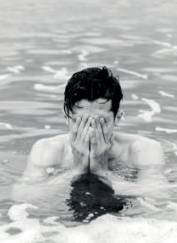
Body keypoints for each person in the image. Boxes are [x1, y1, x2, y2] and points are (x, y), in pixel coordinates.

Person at [22, 66, 165, 183]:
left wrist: (101, 171)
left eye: (100, 122)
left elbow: (156, 196)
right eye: (81, 122)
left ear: (118, 117)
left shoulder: (144, 149)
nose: (90, 131)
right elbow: (25, 196)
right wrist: (78, 169)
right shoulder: (48, 148)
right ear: (66, 117)